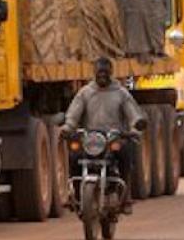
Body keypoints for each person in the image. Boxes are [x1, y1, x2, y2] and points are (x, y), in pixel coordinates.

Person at [60, 57, 148, 213]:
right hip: (90, 140)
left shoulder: (121, 93)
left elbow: (133, 113)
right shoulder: (85, 93)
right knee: (74, 156)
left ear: (111, 73)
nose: (102, 76)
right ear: (94, 73)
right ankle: (75, 195)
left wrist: (136, 125)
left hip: (114, 138)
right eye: (99, 73)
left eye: (105, 73)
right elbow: (73, 114)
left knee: (126, 155)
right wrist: (68, 128)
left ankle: (125, 196)